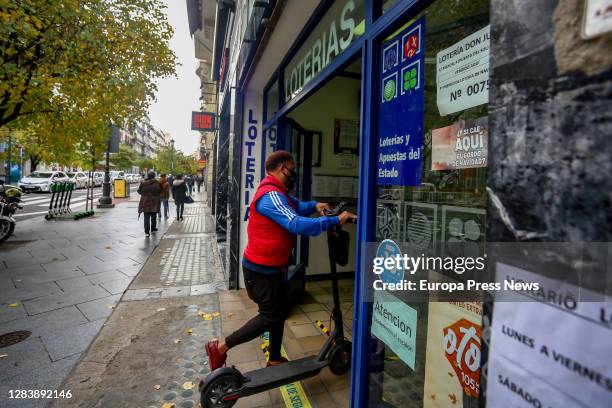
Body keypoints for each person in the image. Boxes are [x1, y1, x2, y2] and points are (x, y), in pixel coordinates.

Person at [205, 150, 357, 369]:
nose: (293, 173)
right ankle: (220, 347)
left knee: (279, 310)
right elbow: (295, 223)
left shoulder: (278, 192)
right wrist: (333, 221)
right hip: (260, 271)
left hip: (272, 268)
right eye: (291, 169)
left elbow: (296, 206)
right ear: (280, 168)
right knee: (270, 316)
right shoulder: (270, 196)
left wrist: (315, 205)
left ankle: (274, 358)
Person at [137, 171, 162, 237]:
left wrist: (144, 195)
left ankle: (147, 232)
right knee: (154, 216)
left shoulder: (143, 183)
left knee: (146, 217)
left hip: (145, 202)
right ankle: (153, 228)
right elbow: (160, 191)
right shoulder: (157, 183)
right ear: (154, 176)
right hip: (154, 202)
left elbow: (139, 191)